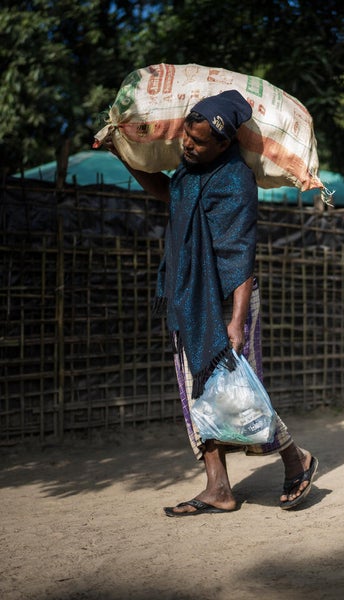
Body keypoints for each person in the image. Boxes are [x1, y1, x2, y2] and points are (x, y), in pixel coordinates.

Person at [106, 90, 318, 515]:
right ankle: (218, 487)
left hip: (226, 300)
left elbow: (240, 255)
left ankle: (296, 458)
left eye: (200, 141)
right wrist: (123, 153)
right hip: (188, 295)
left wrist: (236, 322)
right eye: (188, 133)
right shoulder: (189, 173)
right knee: (197, 391)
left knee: (237, 393)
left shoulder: (236, 180)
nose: (188, 144)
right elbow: (169, 195)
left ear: (224, 143)